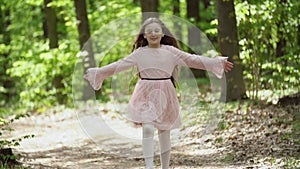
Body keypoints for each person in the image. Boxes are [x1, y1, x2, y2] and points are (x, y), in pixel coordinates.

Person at [83, 17, 233, 169]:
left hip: (166, 92)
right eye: (149, 31)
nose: (153, 33)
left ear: (162, 34)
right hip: (144, 93)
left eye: (156, 30)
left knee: (164, 131)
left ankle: (165, 167)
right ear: (144, 35)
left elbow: (193, 59)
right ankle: (149, 166)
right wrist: (98, 73)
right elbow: (118, 65)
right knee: (148, 127)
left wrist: (216, 62)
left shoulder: (171, 52)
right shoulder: (139, 53)